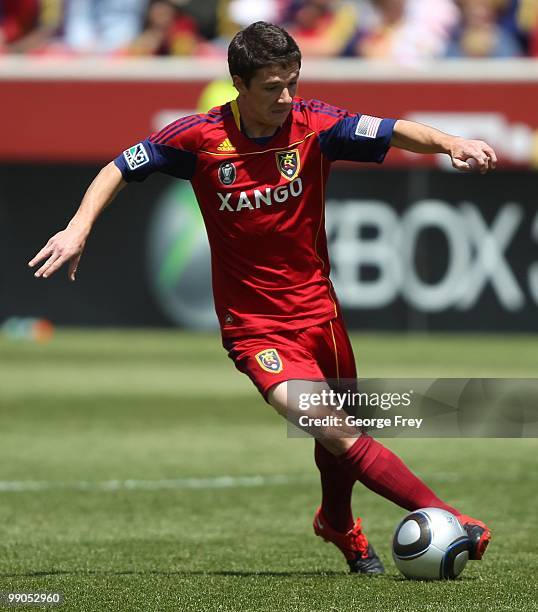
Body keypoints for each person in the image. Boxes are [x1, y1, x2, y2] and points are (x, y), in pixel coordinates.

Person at [29, 21, 495, 574]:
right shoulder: (197, 138)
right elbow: (119, 168)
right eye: (272, 87)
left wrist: (450, 143)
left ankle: (337, 522)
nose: (286, 97)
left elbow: (391, 130)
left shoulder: (314, 124)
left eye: (292, 82)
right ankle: (448, 516)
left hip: (320, 313)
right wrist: (79, 227)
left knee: (341, 436)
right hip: (255, 328)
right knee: (337, 430)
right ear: (238, 84)